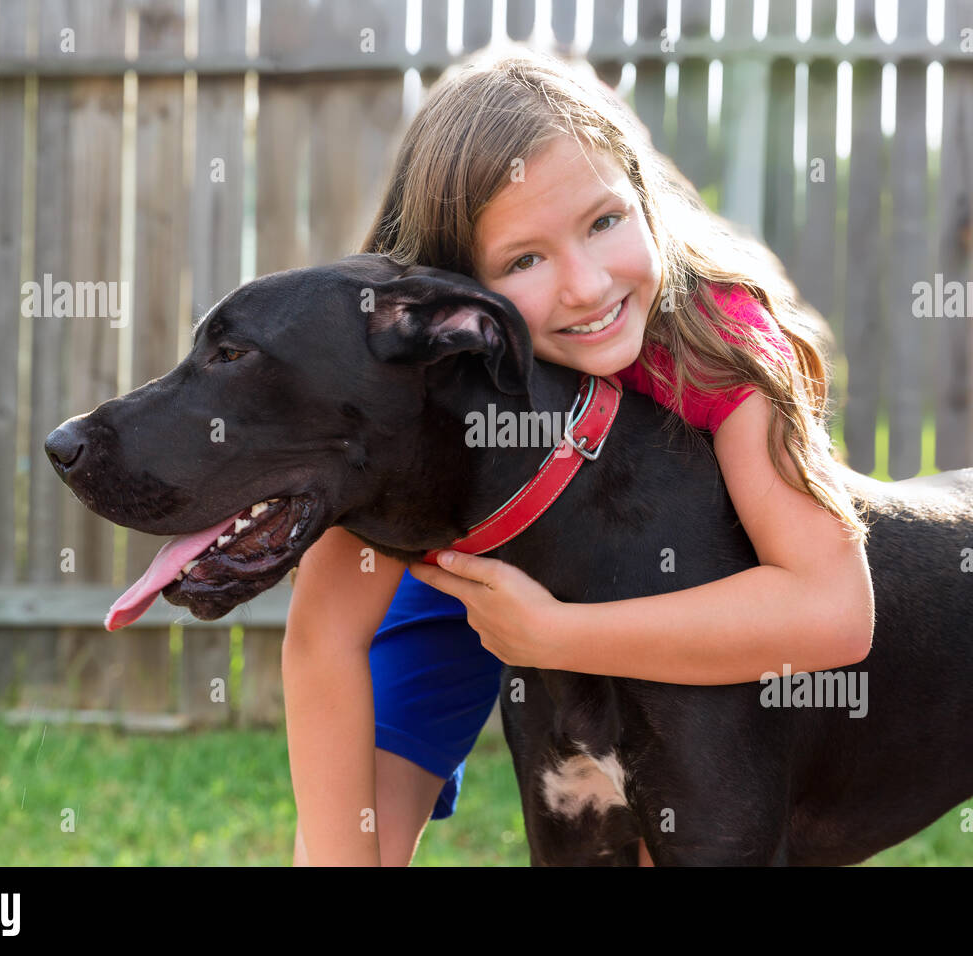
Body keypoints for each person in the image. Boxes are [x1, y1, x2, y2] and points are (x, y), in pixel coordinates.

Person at [282, 50, 875, 867]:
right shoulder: (418, 375)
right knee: (351, 843)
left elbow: (834, 611)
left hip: (650, 583)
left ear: (641, 192)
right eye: (524, 260)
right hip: (458, 579)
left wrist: (555, 635)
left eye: (604, 221)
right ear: (460, 302)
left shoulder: (717, 345)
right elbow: (325, 641)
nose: (589, 286)